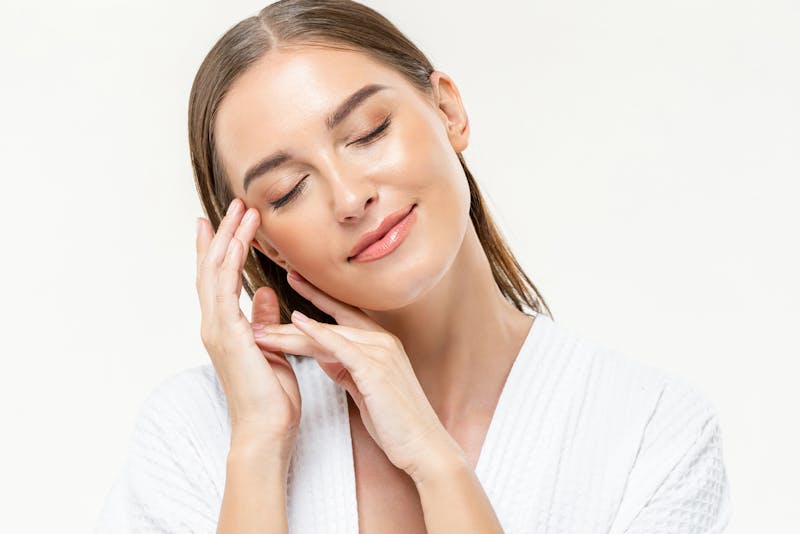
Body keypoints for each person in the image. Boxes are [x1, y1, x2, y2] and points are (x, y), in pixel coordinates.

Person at [97, 0, 731, 532]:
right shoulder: (196, 434)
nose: (350, 198)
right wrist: (260, 447)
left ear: (448, 111)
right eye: (289, 189)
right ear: (264, 244)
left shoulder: (650, 433)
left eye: (369, 132)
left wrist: (436, 461)